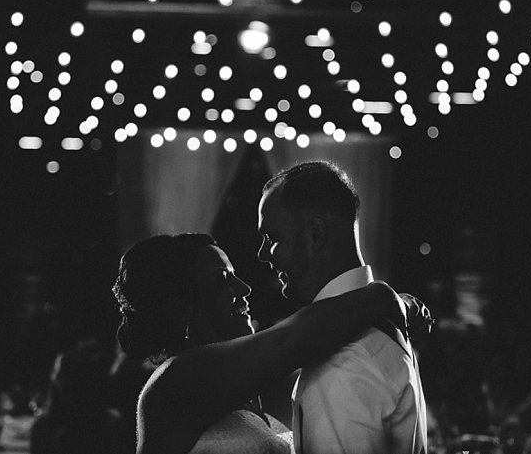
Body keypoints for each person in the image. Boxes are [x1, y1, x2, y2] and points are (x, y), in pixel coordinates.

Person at [114, 233, 422, 454]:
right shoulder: (176, 381)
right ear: (181, 303)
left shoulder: (251, 385)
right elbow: (292, 340)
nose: (244, 288)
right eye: (223, 278)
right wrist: (388, 298)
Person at [257, 160, 428, 454]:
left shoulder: (341, 363)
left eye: (272, 239)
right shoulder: (379, 326)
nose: (263, 255)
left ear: (315, 234)